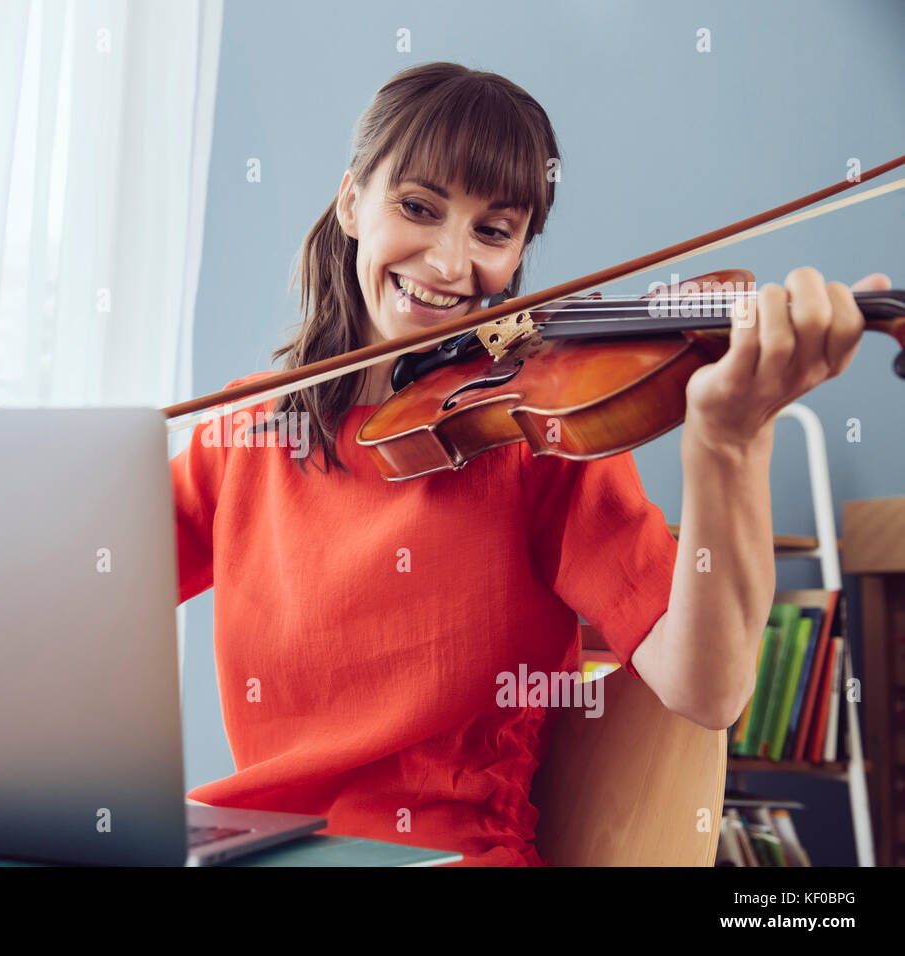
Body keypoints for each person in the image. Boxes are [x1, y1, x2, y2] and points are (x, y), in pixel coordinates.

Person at [171, 61, 888, 865]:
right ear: (350, 202)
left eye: (491, 231)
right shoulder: (246, 431)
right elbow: (74, 592)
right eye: (418, 208)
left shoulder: (533, 437)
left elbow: (708, 689)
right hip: (246, 850)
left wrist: (731, 440)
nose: (448, 264)